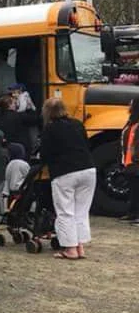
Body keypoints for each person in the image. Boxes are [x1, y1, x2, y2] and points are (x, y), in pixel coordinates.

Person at [39, 98, 96, 260]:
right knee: (81, 211)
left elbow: (45, 153)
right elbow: (87, 145)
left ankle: (70, 249)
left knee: (65, 211)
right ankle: (80, 246)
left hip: (64, 172)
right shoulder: (77, 124)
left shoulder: (50, 129)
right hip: (88, 169)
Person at [120, 97, 139, 224]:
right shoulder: (131, 123)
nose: (129, 106)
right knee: (133, 189)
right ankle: (132, 213)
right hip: (129, 162)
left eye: (131, 104)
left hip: (136, 162)